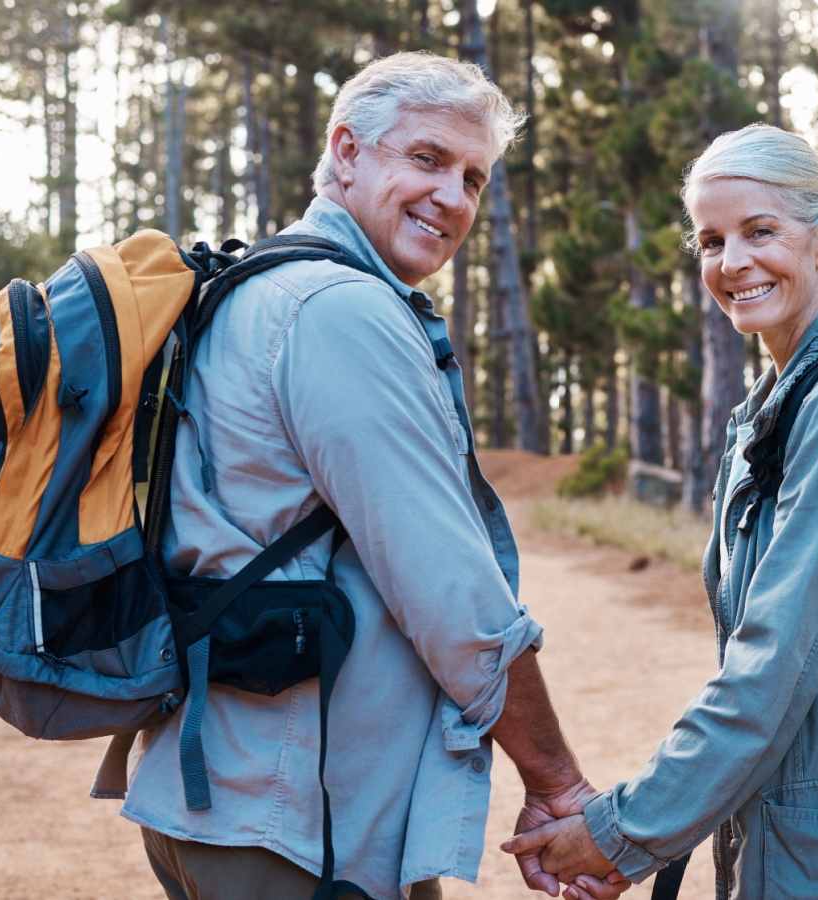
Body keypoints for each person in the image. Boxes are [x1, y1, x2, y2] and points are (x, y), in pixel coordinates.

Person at [117, 52, 627, 900]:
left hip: (230, 803)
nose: (454, 199)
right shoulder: (337, 310)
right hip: (299, 828)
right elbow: (452, 594)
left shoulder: (257, 288)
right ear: (346, 152)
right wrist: (559, 785)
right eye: (427, 160)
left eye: (473, 178)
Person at [503, 123, 818, 898]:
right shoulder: (779, 403)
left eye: (759, 231)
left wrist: (621, 832)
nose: (732, 262)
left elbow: (771, 666)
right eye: (711, 241)